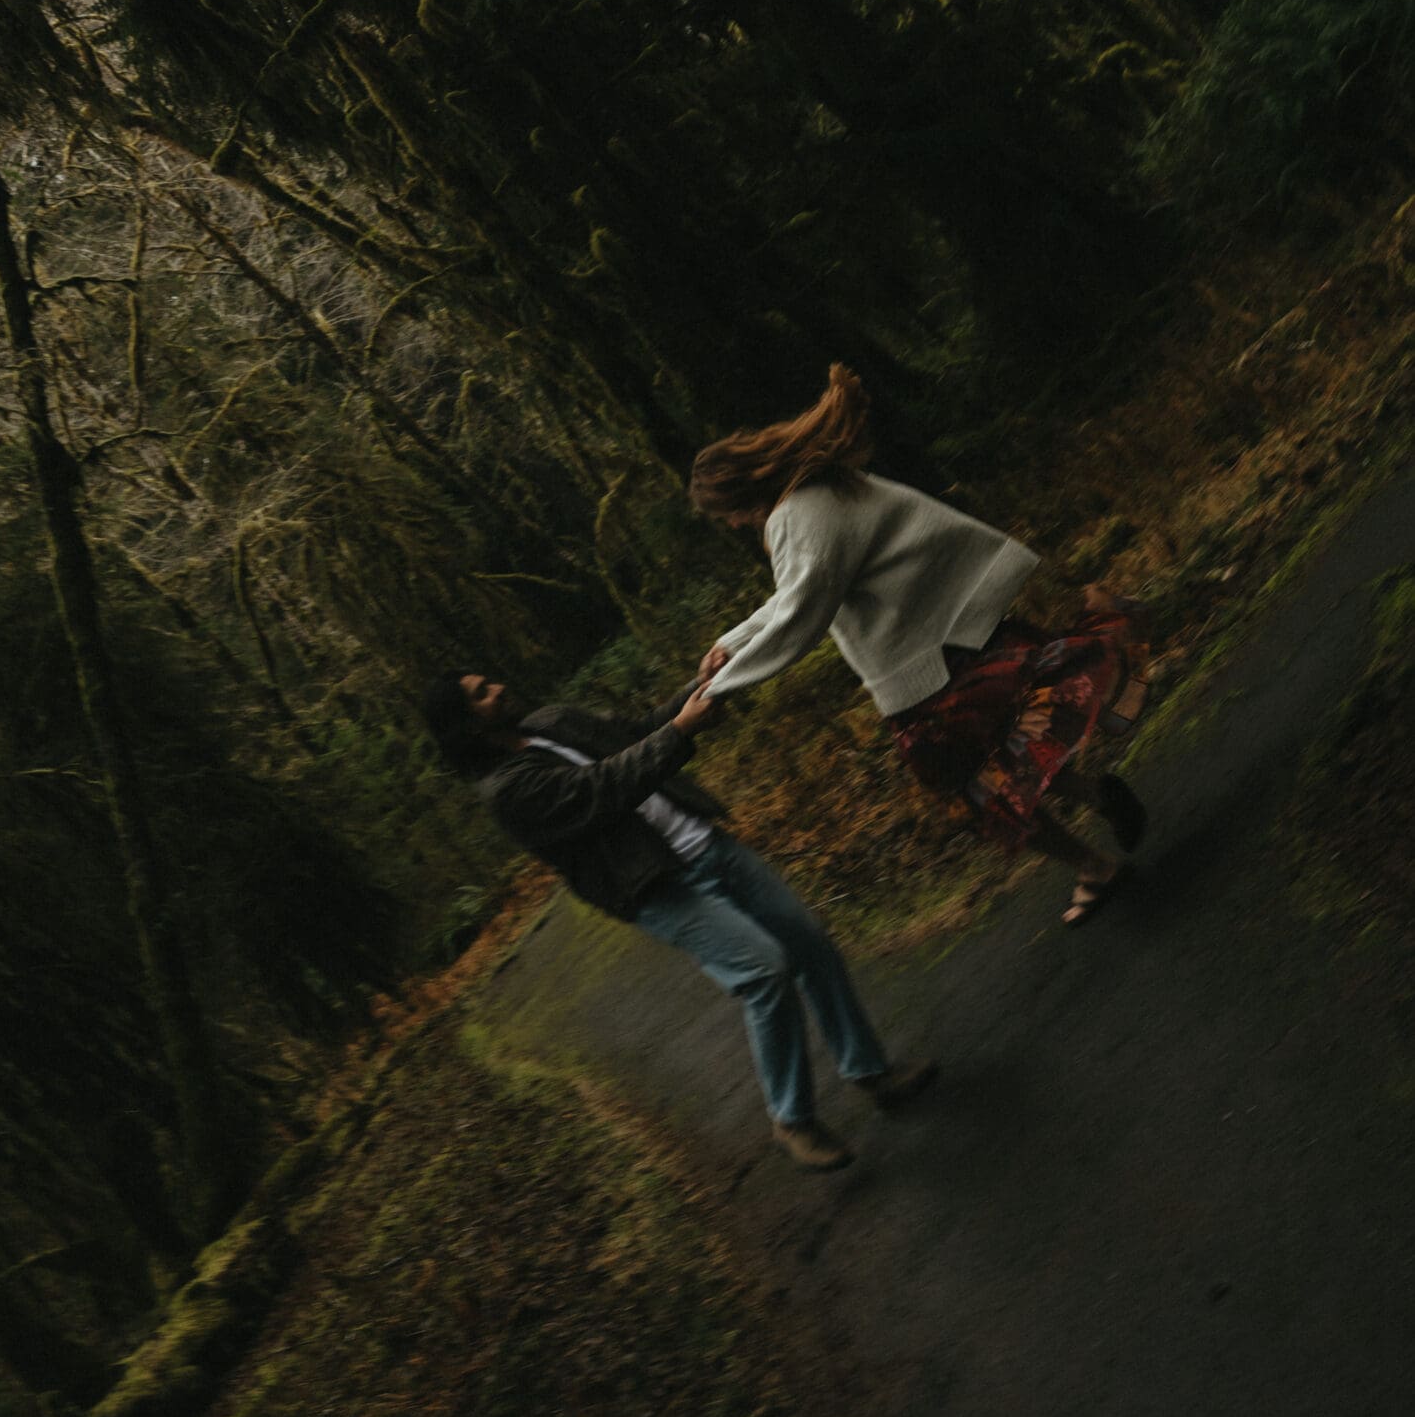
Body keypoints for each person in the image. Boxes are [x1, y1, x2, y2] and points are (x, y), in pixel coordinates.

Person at [421, 667, 937, 1170]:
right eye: (482, 694)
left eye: (490, 681)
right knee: (764, 972)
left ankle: (870, 1071)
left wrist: (701, 684)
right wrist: (681, 731)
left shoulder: (551, 721)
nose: (499, 688)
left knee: (809, 943)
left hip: (708, 846)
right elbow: (603, 788)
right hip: (656, 886)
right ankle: (792, 1120)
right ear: (467, 727)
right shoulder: (509, 791)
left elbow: (638, 731)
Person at [691, 365, 1151, 924]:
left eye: (727, 514)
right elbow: (797, 595)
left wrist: (722, 686)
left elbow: (801, 614)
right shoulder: (822, 488)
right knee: (1006, 755)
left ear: (740, 496)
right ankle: (1098, 799)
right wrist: (731, 643)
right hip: (957, 636)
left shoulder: (796, 516)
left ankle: (1094, 865)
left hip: (929, 670)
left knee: (977, 789)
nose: (734, 525)